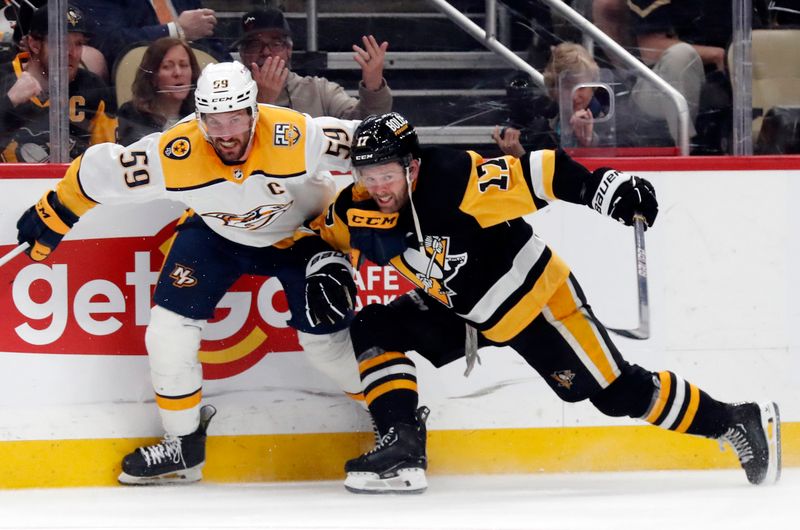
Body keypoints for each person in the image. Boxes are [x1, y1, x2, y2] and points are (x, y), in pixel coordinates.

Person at [313, 112, 781, 494]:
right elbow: (321, 236)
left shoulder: (455, 178)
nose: (378, 187)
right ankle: (402, 445)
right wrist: (321, 267)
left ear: (411, 166)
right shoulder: (358, 206)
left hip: (536, 302)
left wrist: (606, 188)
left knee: (617, 394)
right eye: (367, 175)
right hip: (465, 312)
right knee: (374, 326)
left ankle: (734, 421)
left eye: (387, 175)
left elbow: (542, 172)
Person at [15, 61, 364, 485]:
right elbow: (100, 172)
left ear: (255, 110)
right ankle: (183, 445)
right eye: (213, 120)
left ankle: (393, 414)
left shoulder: (296, 133)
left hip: (302, 236)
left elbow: (376, 146)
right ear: (198, 117)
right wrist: (57, 209)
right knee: (167, 329)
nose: (225, 131)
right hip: (219, 233)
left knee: (326, 343)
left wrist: (427, 195)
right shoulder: (174, 152)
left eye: (235, 117)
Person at [0, 4, 116, 162]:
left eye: (79, 43)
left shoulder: (93, 87)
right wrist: (8, 102)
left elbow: (108, 161)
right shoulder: (2, 79)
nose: (72, 53)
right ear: (34, 44)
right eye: (61, 43)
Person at [233, 8, 392, 119]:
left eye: (275, 44)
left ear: (289, 49)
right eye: (254, 45)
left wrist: (373, 85)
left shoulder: (319, 91)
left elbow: (365, 125)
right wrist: (263, 102)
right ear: (242, 53)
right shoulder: (227, 95)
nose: (266, 52)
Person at [494, 43, 602, 157]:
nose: (575, 95)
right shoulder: (541, 123)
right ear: (554, 88)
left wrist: (588, 145)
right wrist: (516, 154)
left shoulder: (607, 122)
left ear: (593, 87)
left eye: (582, 87)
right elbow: (542, 171)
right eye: (567, 86)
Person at [73, 0, 231, 68]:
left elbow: (206, 32)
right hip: (144, 86)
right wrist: (176, 31)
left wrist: (232, 69)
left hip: (198, 79)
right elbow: (109, 41)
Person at [116, 37, 201, 146]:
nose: (178, 73)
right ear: (152, 77)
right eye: (167, 67)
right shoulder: (131, 115)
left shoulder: (200, 114)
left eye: (183, 65)